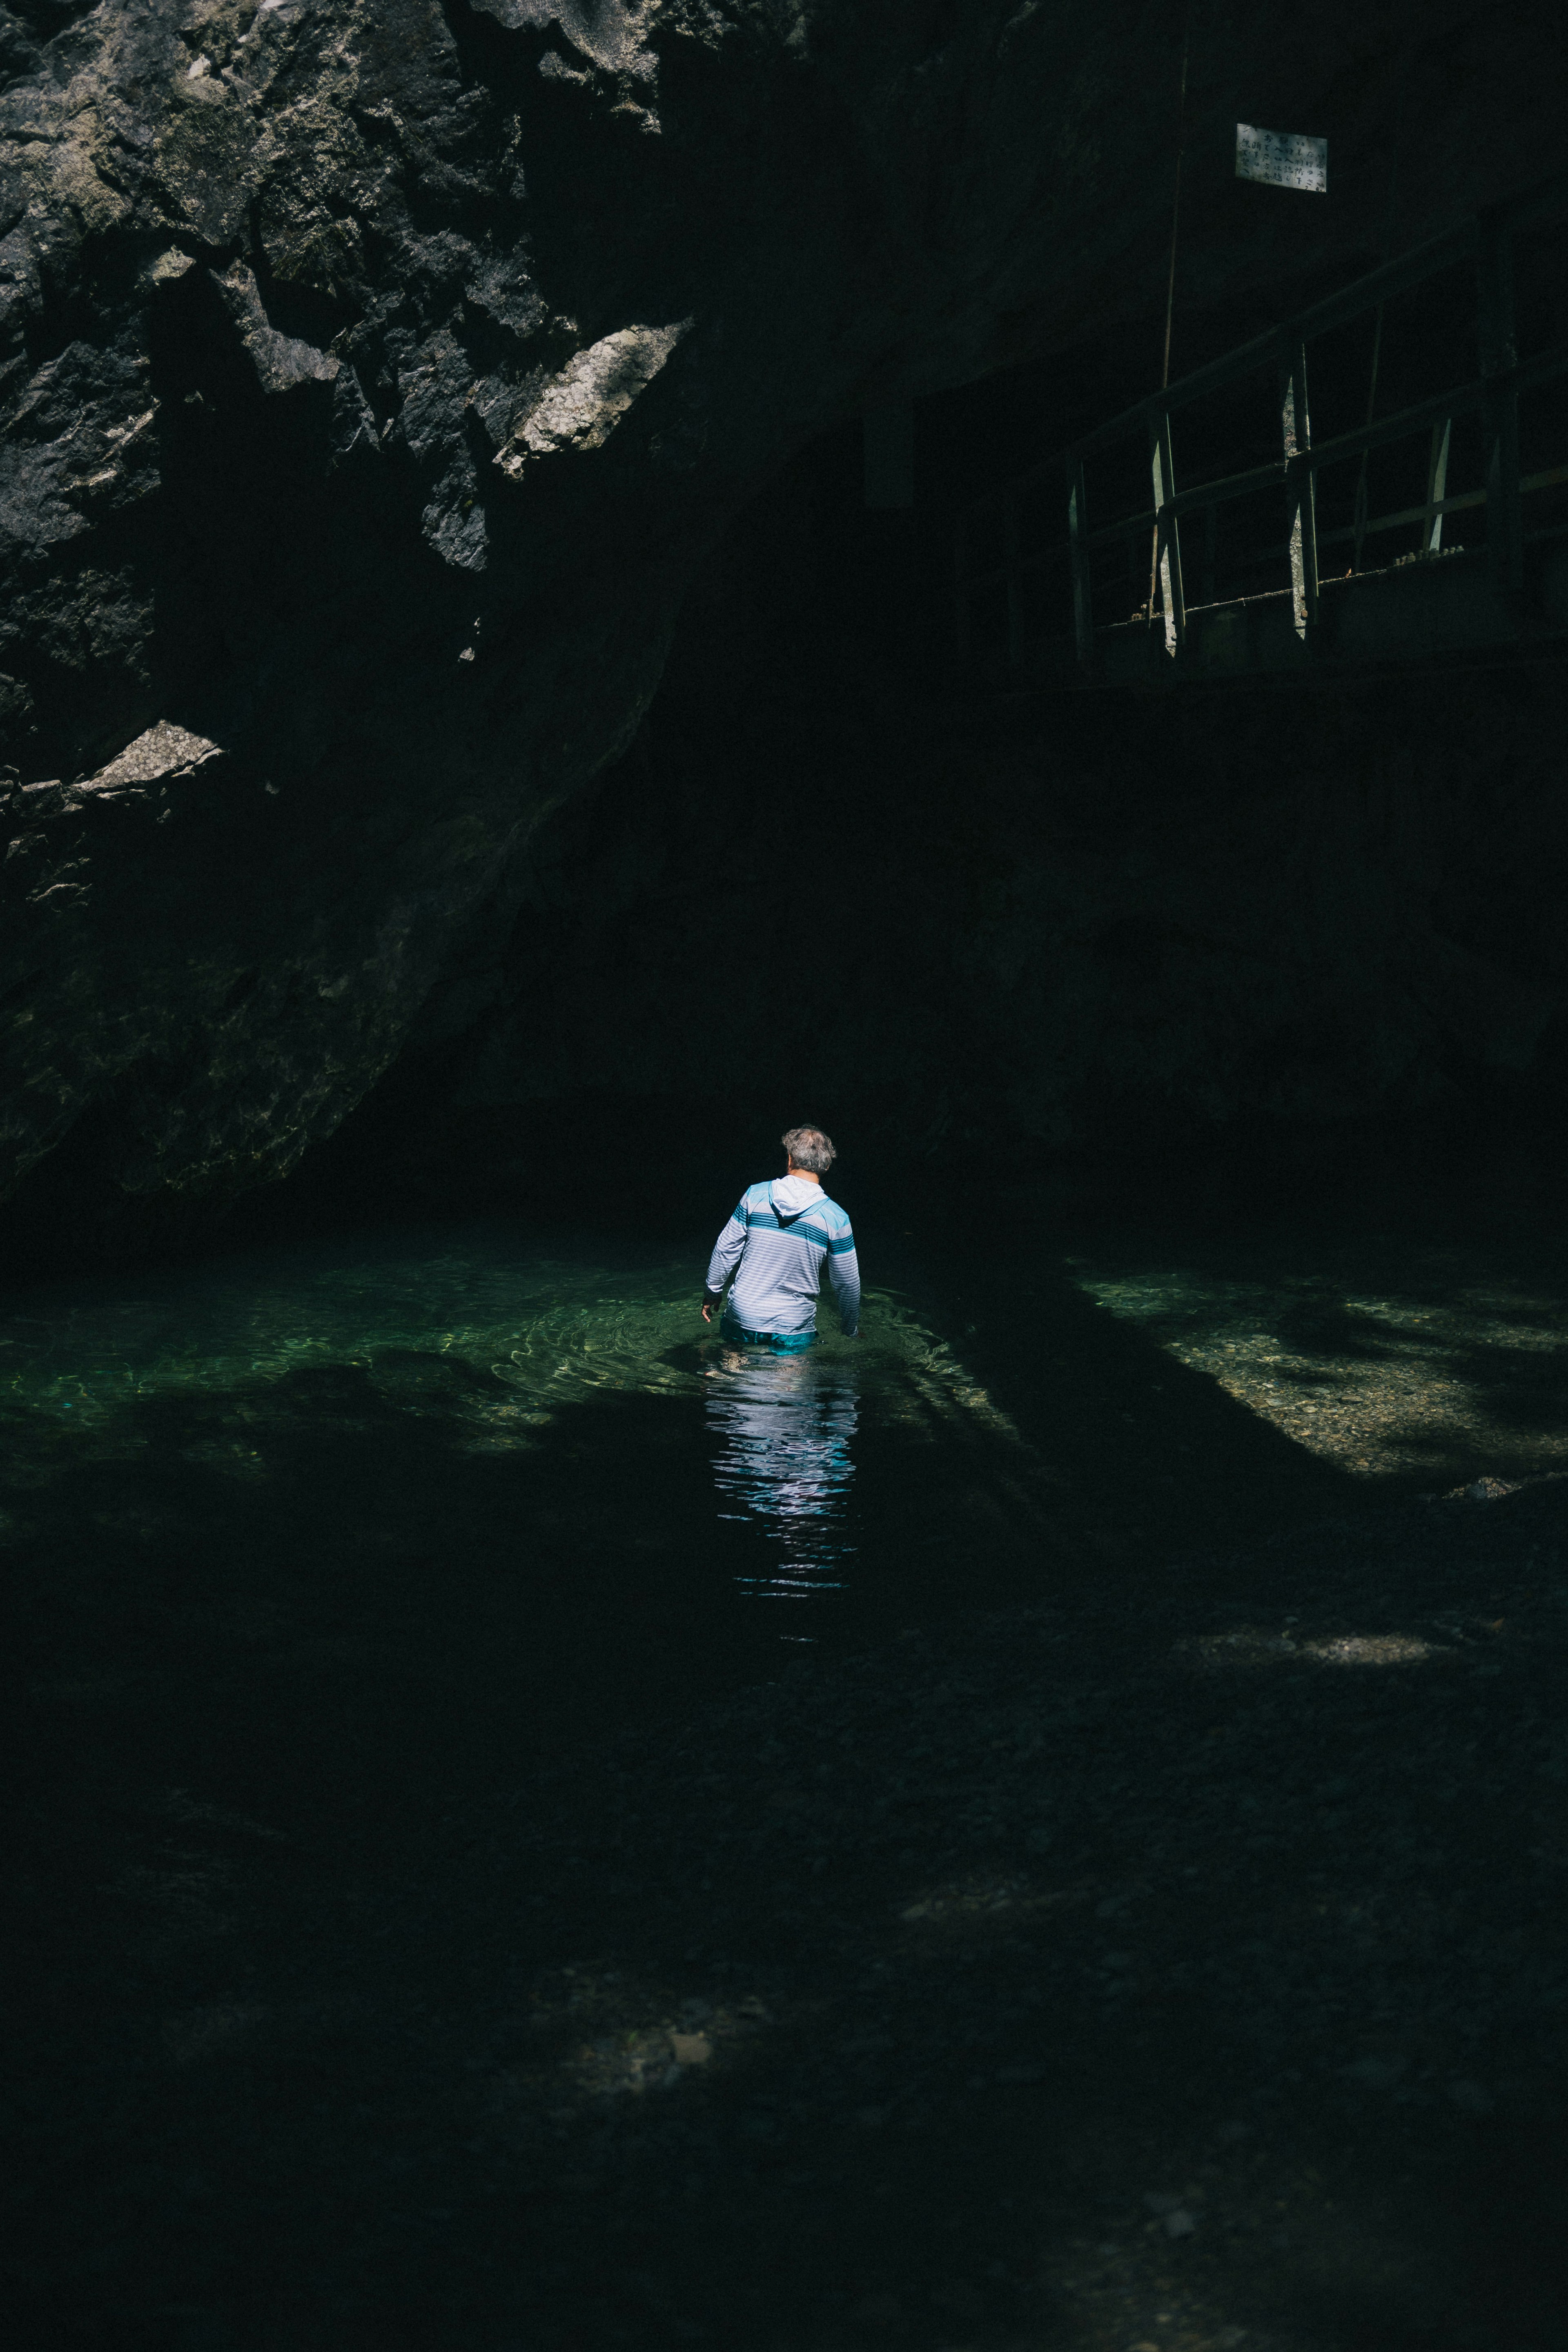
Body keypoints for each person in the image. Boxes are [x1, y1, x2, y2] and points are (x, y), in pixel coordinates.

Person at [702, 1125, 860, 1351]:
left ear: (790, 1160)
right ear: (826, 1166)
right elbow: (847, 1283)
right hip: (792, 1326)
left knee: (730, 1378)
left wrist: (713, 1291)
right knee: (788, 1385)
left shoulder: (755, 1195)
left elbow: (726, 1247)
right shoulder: (836, 1218)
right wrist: (850, 1330)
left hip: (742, 1316)